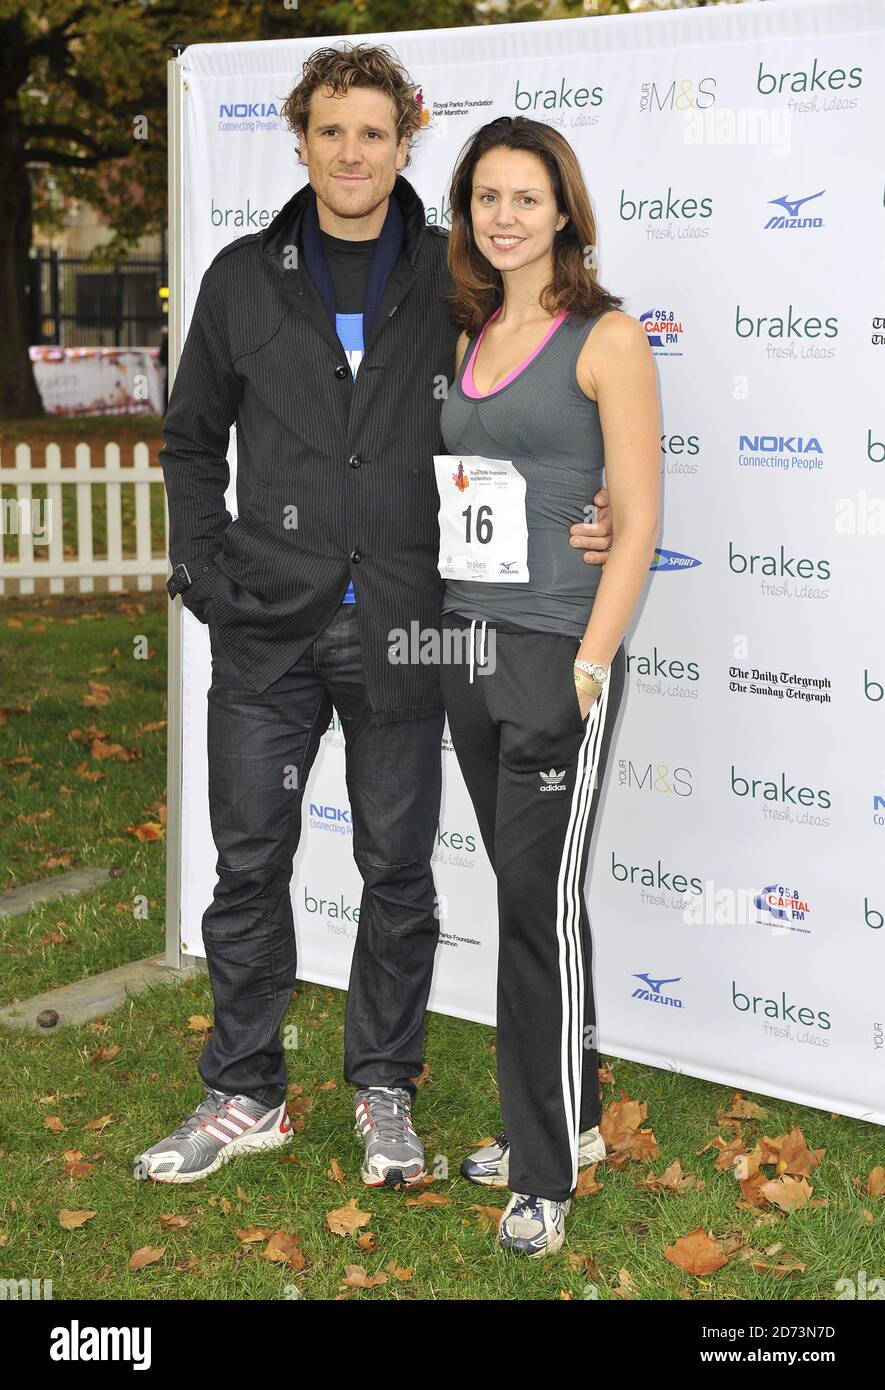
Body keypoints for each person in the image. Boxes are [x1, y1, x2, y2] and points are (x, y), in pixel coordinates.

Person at [136, 44, 614, 1189]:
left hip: (412, 621)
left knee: (400, 866)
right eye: (330, 131)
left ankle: (384, 1090)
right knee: (250, 861)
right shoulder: (243, 276)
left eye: (373, 132)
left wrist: (593, 510)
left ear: (407, 141)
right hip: (267, 623)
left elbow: (533, 397)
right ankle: (246, 1089)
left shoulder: (456, 277)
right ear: (298, 139)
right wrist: (204, 572)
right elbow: (193, 438)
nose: (351, 152)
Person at [436, 116, 661, 1256]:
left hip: (554, 660)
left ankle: (545, 1166)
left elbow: (640, 521)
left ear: (564, 209)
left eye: (527, 197)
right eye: (486, 197)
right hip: (464, 652)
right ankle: (569, 1116)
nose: (505, 216)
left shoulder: (606, 337)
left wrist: (587, 665)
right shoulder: (468, 327)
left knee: (532, 909)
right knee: (534, 896)